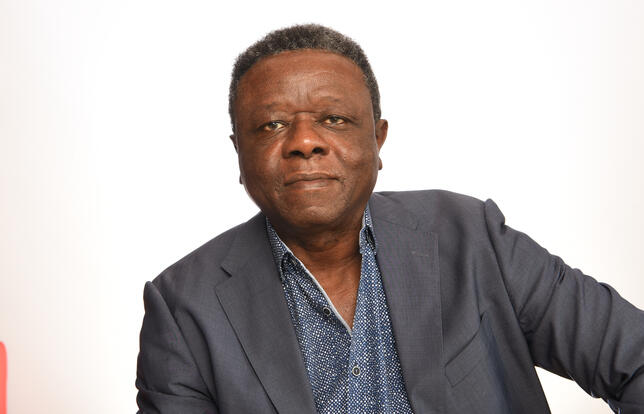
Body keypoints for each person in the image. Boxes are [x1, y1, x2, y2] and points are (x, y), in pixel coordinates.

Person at [135, 24, 644, 413]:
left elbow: (634, 360)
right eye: (272, 125)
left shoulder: (472, 236)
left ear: (377, 140)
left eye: (334, 119)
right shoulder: (184, 305)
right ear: (239, 152)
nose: (304, 142)